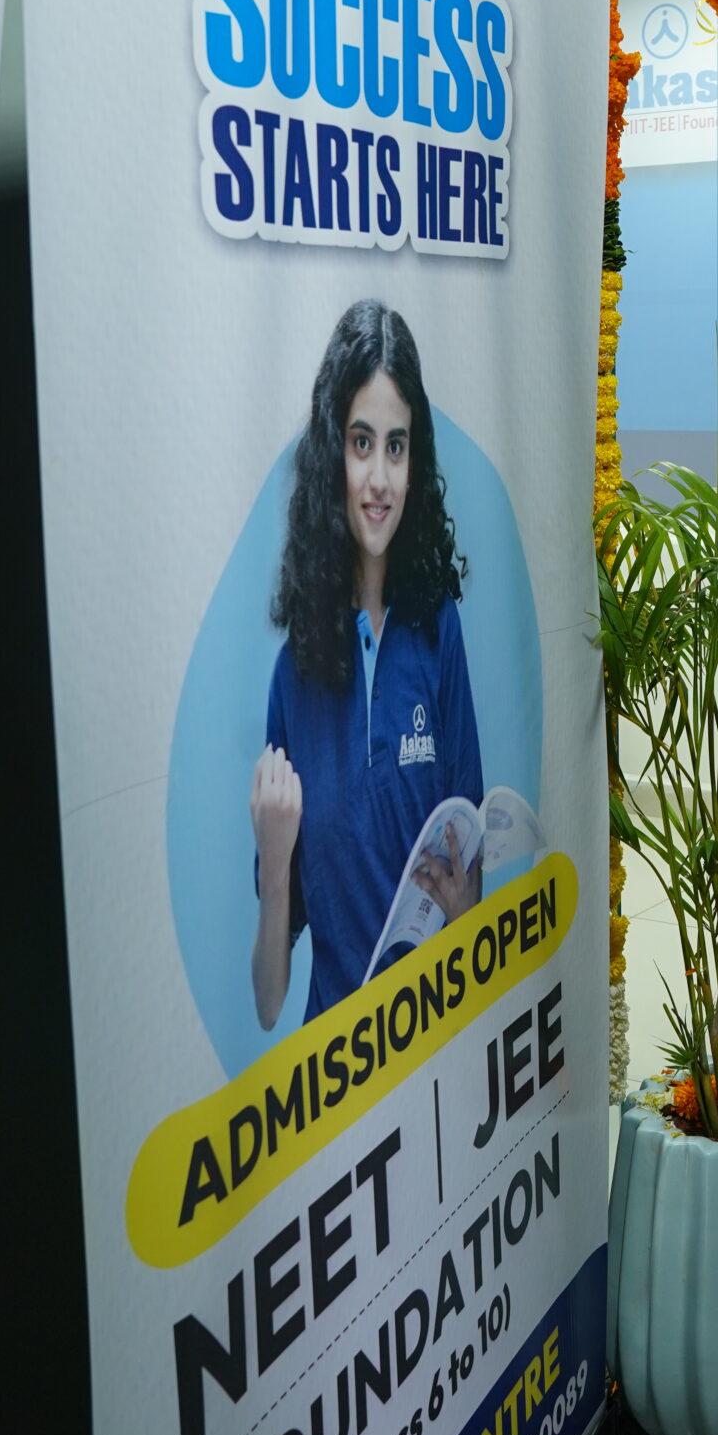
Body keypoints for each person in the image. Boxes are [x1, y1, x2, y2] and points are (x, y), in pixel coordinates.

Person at [251, 301, 484, 1029]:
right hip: (340, 1072)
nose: (379, 477)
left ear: (415, 464)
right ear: (332, 456)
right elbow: (267, 1001)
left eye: (396, 446)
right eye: (361, 443)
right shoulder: (293, 675)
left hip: (436, 1048)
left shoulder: (439, 632)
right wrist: (274, 857)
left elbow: (471, 888)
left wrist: (463, 912)